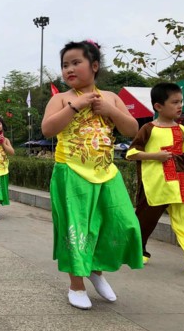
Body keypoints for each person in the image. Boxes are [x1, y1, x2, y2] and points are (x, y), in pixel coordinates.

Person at [41, 40, 143, 310]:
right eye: (65, 65)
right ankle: (76, 285)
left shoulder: (111, 97)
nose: (69, 69)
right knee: (77, 229)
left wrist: (109, 111)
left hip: (107, 172)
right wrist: (75, 106)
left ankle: (96, 270)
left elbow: (133, 130)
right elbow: (48, 129)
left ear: (94, 66)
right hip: (71, 172)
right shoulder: (61, 98)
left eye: (76, 63)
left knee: (123, 224)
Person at [126, 82, 184, 278]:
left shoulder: (182, 130)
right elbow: (131, 153)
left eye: (181, 101)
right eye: (174, 102)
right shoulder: (148, 129)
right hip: (154, 184)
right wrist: (154, 156)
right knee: (144, 222)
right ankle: (137, 252)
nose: (180, 106)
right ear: (158, 106)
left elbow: (181, 156)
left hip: (179, 184)